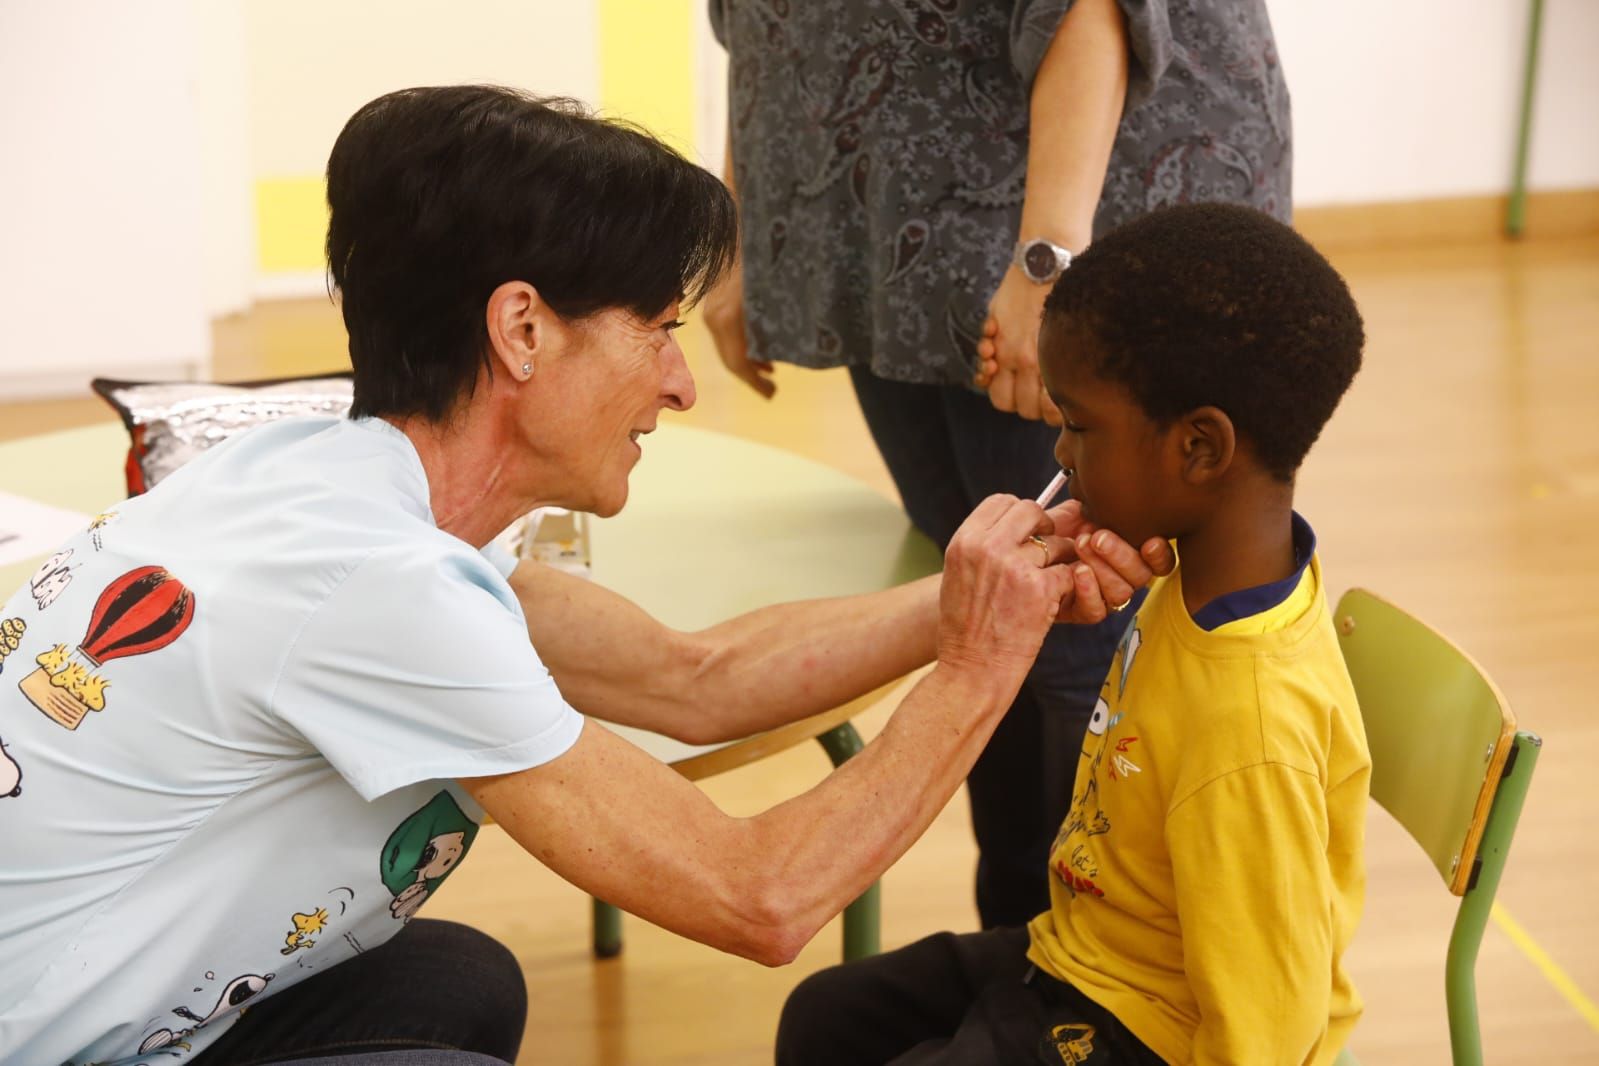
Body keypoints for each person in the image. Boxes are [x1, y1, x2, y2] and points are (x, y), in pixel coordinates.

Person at [0, 86, 1173, 1066]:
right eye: (658, 328)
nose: (680, 382)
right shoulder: (379, 589)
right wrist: (982, 664)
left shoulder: (320, 479)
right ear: (521, 330)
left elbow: (692, 677)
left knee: (457, 984)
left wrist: (988, 584)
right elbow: (760, 895)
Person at [705, 0, 1294, 928]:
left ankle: (1093, 971)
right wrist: (736, 220)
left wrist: (1050, 263)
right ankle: (1021, 946)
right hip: (882, 216)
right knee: (987, 614)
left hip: (1061, 215)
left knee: (1073, 637)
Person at [774, 203, 1371, 1065]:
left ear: (1199, 449)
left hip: (1152, 1028)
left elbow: (1268, 1031)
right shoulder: (1194, 574)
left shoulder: (1250, 727)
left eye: (1079, 426)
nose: (1058, 454)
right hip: (1086, 955)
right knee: (831, 1015)